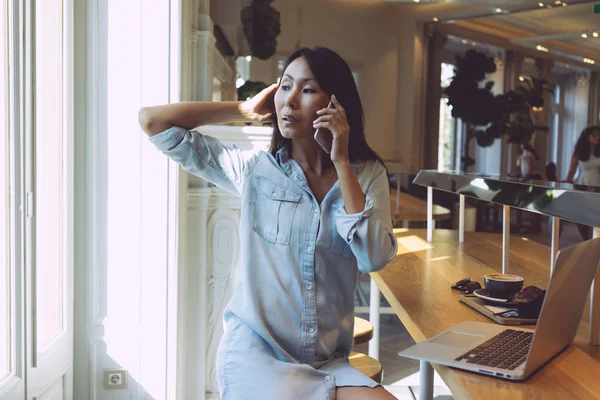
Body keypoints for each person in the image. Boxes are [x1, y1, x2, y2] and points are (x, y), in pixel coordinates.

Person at [138, 47, 398, 400]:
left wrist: (342, 163)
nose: (289, 101)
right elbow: (152, 121)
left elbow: (373, 258)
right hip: (258, 356)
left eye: (307, 90)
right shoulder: (253, 171)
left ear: (336, 104)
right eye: (285, 86)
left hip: (327, 361)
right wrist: (241, 109)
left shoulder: (366, 176)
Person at [565, 125, 600, 240]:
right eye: (594, 135)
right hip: (583, 184)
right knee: (581, 214)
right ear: (587, 137)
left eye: (598, 135)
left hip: (597, 183)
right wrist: (566, 187)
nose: (597, 138)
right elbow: (571, 171)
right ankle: (587, 239)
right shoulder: (580, 152)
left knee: (596, 214)